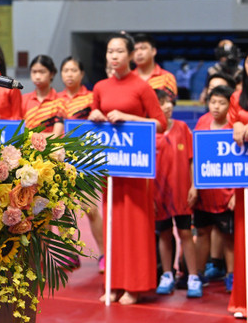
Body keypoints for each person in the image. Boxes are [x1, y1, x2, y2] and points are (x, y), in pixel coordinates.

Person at [88, 31, 167, 305]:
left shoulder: (142, 87)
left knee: (134, 226)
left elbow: (160, 124)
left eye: (119, 51)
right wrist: (94, 115)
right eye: (110, 51)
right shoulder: (99, 87)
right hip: (111, 169)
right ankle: (113, 283)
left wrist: (128, 117)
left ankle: (134, 286)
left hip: (136, 168)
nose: (114, 55)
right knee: (112, 225)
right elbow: (93, 118)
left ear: (130, 55)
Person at [57, 56, 105, 273]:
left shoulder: (91, 97)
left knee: (91, 209)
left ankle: (104, 254)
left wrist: (98, 113)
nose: (69, 74)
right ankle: (70, 253)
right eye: (65, 70)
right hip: (61, 162)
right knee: (63, 209)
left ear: (82, 73)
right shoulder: (57, 100)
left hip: (85, 161)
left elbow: (100, 118)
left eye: (73, 70)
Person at [153, 89, 201, 298]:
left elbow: (191, 160)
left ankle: (192, 276)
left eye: (169, 102)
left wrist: (194, 186)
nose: (167, 106)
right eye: (162, 103)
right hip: (158, 195)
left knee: (185, 234)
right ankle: (167, 274)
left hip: (182, 193)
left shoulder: (182, 128)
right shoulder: (149, 132)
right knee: (164, 235)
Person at [193, 85, 236, 296]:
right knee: (202, 233)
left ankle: (232, 276)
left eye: (221, 102)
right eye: (213, 102)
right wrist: (193, 186)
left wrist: (238, 194)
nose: (216, 107)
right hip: (204, 193)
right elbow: (196, 157)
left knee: (229, 237)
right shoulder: (202, 123)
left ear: (230, 105)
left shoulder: (235, 127)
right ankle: (198, 275)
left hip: (227, 194)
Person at [228, 55, 248, 319]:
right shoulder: (238, 95)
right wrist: (237, 124)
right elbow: (233, 118)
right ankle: (244, 300)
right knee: (244, 236)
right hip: (245, 180)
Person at [21, 54, 65, 138]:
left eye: (42, 72)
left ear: (51, 74)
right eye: (34, 72)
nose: (37, 76)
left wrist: (31, 136)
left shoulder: (60, 101)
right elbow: (17, 130)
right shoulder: (23, 100)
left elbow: (56, 136)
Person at [132, 33, 178, 99]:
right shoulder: (127, 78)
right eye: (135, 50)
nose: (139, 53)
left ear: (153, 51)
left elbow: (167, 106)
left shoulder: (167, 78)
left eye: (143, 48)